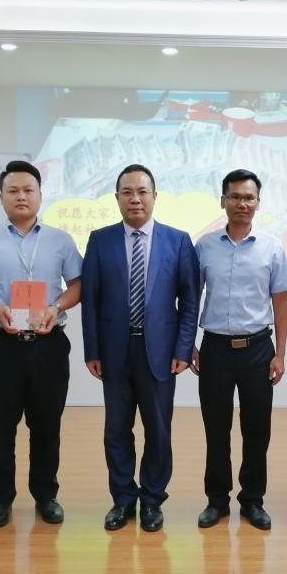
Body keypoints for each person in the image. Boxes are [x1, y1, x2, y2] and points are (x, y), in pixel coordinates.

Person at [0, 160, 82, 528]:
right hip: (0, 347)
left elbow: (78, 284)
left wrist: (55, 307)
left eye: (28, 190)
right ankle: (1, 498)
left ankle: (46, 496)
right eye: (13, 190)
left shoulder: (60, 240)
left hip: (48, 345)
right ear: (1, 197)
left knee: (46, 427)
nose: (21, 196)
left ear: (40, 195)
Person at [82, 164, 201, 533]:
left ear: (154, 196)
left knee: (158, 431)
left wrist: (184, 347)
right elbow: (91, 301)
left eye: (142, 191)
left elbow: (190, 300)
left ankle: (152, 500)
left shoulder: (177, 241)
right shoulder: (100, 240)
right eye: (127, 192)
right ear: (117, 197)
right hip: (114, 351)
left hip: (161, 352)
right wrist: (92, 351)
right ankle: (122, 499)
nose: (135, 198)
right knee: (116, 430)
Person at [190, 169, 287, 531]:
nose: (242, 204)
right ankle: (217, 500)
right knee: (216, 429)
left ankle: (252, 500)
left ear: (258, 203)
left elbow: (281, 302)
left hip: (257, 350)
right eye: (235, 197)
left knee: (257, 430)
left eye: (249, 198)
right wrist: (189, 344)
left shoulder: (271, 247)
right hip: (215, 349)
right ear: (223, 201)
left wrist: (280, 353)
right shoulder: (204, 246)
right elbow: (190, 298)